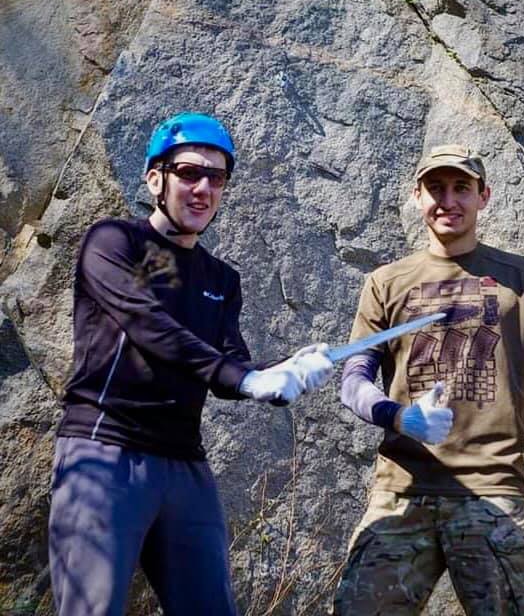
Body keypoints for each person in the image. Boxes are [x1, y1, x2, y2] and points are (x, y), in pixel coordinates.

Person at [48, 112, 334, 616]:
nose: (203, 189)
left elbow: (228, 368)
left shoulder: (221, 278)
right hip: (104, 450)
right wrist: (246, 378)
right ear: (154, 179)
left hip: (185, 464)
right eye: (189, 173)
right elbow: (150, 326)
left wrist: (285, 368)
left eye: (216, 178)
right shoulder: (114, 242)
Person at [332, 145, 524, 615]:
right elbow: (353, 381)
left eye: (461, 188)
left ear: (484, 196)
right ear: (417, 197)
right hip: (403, 489)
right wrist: (399, 417)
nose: (448, 200)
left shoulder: (522, 277)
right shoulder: (386, 282)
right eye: (435, 188)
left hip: (493, 488)